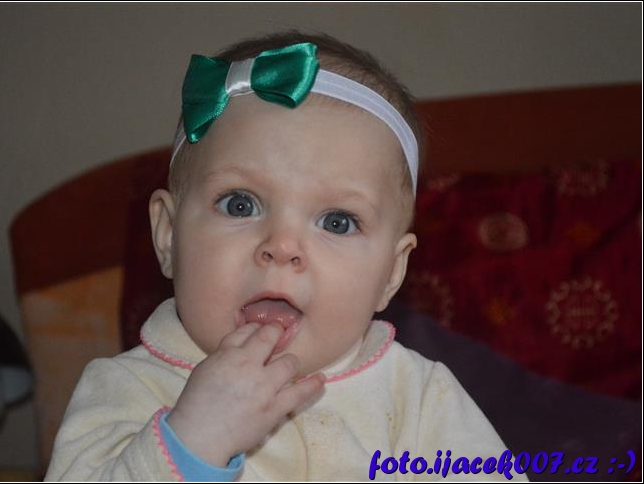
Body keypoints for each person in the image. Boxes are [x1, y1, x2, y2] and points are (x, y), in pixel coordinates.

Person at [45, 31, 526, 481]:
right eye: (240, 204)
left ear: (391, 274)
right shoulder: (125, 389)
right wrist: (191, 440)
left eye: (337, 222)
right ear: (169, 235)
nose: (282, 246)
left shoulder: (420, 400)